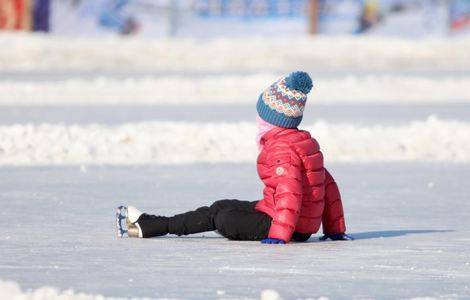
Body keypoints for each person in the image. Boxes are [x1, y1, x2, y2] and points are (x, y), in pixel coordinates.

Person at [116, 71, 353, 244]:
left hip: (288, 226)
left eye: (261, 116)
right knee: (220, 206)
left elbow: (290, 193)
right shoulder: (301, 142)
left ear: (273, 119)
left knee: (223, 218)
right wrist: (334, 229)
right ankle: (151, 225)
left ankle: (153, 225)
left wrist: (280, 235)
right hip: (287, 219)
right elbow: (327, 186)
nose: (258, 121)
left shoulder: (281, 149)